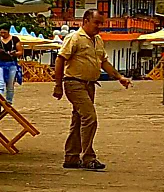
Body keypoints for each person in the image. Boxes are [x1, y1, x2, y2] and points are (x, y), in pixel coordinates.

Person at [54, 9, 131, 171]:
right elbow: (60, 59)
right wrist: (58, 85)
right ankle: (88, 157)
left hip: (89, 84)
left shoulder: (98, 40)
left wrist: (119, 77)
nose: (99, 26)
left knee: (78, 120)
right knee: (90, 117)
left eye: (101, 23)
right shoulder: (74, 38)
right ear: (86, 21)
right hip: (74, 83)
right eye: (96, 23)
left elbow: (104, 62)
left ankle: (71, 157)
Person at [0, 25, 22, 107]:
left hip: (11, 63)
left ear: (8, 31)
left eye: (4, 32)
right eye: (1, 33)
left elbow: (20, 52)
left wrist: (14, 53)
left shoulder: (15, 40)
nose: (2, 34)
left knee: (10, 84)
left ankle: (9, 101)